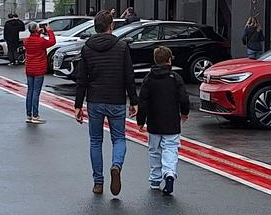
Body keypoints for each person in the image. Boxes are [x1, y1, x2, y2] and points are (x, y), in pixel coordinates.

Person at [73, 11, 138, 196]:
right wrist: (134, 101)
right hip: (116, 99)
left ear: (95, 26)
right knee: (119, 138)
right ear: (112, 26)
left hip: (95, 100)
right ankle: (116, 165)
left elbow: (82, 79)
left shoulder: (87, 48)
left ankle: (98, 183)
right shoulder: (122, 47)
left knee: (95, 141)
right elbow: (129, 77)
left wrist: (78, 105)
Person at [137, 46, 190, 195]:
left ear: (155, 60)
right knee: (171, 149)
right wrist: (184, 113)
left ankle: (155, 179)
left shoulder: (149, 79)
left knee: (154, 151)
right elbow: (184, 98)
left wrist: (141, 120)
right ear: (169, 60)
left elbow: (143, 102)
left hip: (154, 123)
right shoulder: (175, 78)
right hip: (172, 122)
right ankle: (169, 173)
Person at [22, 22, 57, 124]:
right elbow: (52, 41)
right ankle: (35, 115)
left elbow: (33, 36)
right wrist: (49, 30)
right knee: (36, 92)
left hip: (29, 68)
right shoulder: (41, 41)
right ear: (36, 30)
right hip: (39, 69)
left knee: (30, 91)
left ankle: (29, 115)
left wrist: (39, 30)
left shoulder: (27, 41)